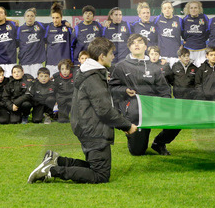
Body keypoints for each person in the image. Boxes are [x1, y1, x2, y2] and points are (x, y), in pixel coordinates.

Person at [27, 37, 137, 184]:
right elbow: (104, 110)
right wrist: (127, 126)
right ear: (101, 56)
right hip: (94, 130)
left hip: (88, 126)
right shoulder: (93, 76)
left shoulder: (90, 72)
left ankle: (56, 160)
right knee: (100, 175)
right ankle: (51, 171)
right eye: (111, 53)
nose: (113, 56)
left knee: (96, 167)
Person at [109, 33, 179, 156]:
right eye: (133, 43)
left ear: (145, 47)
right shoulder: (120, 67)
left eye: (140, 42)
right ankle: (134, 135)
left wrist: (166, 103)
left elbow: (164, 89)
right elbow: (112, 89)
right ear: (129, 47)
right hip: (135, 111)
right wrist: (124, 90)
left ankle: (159, 142)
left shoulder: (154, 67)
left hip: (154, 107)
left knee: (178, 117)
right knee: (138, 152)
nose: (136, 44)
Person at [0, 6, 18, 78]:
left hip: (10, 61)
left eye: (1, 12)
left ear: (5, 15)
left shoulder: (13, 25)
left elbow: (17, 40)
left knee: (11, 84)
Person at [16, 7, 46, 78]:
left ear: (35, 17)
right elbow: (16, 43)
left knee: (37, 84)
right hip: (24, 62)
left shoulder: (40, 26)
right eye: (28, 16)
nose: (30, 18)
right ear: (24, 18)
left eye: (32, 16)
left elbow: (52, 24)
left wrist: (64, 22)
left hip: (37, 62)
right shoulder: (20, 29)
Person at [45, 3, 72, 75]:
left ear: (61, 17)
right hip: (51, 63)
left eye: (57, 18)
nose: (55, 20)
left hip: (64, 63)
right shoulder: (48, 27)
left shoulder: (67, 28)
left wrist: (64, 22)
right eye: (53, 18)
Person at [154, 0, 183, 65]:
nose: (167, 10)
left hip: (175, 55)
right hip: (162, 55)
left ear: (172, 9)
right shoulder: (157, 19)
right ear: (162, 10)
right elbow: (153, 34)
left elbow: (185, 35)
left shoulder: (179, 20)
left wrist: (182, 46)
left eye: (169, 8)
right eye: (165, 8)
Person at [181, 0, 209, 67]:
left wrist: (201, 40)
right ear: (188, 9)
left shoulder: (204, 18)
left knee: (201, 70)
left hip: (201, 49)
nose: (193, 10)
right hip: (189, 49)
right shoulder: (185, 19)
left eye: (195, 8)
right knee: (189, 70)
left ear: (199, 9)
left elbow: (208, 31)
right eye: (191, 8)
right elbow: (182, 33)